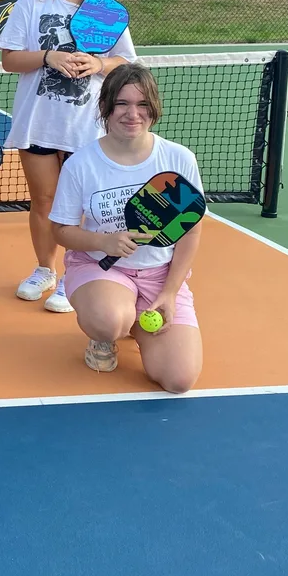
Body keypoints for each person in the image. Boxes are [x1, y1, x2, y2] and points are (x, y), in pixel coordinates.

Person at [0, 0, 136, 314]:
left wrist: (98, 62)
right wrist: (49, 57)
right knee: (43, 201)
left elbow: (127, 61)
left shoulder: (104, 9)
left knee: (85, 207)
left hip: (86, 126)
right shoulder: (32, 3)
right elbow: (9, 59)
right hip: (38, 122)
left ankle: (80, 275)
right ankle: (46, 270)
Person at [49, 63, 202, 393]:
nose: (133, 114)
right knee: (109, 321)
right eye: (122, 103)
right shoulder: (81, 163)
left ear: (154, 108)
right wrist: (103, 242)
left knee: (179, 380)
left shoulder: (179, 159)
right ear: (105, 107)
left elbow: (190, 230)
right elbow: (60, 231)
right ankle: (106, 332)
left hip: (160, 275)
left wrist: (170, 293)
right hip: (98, 267)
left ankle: (138, 319)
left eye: (142, 104)